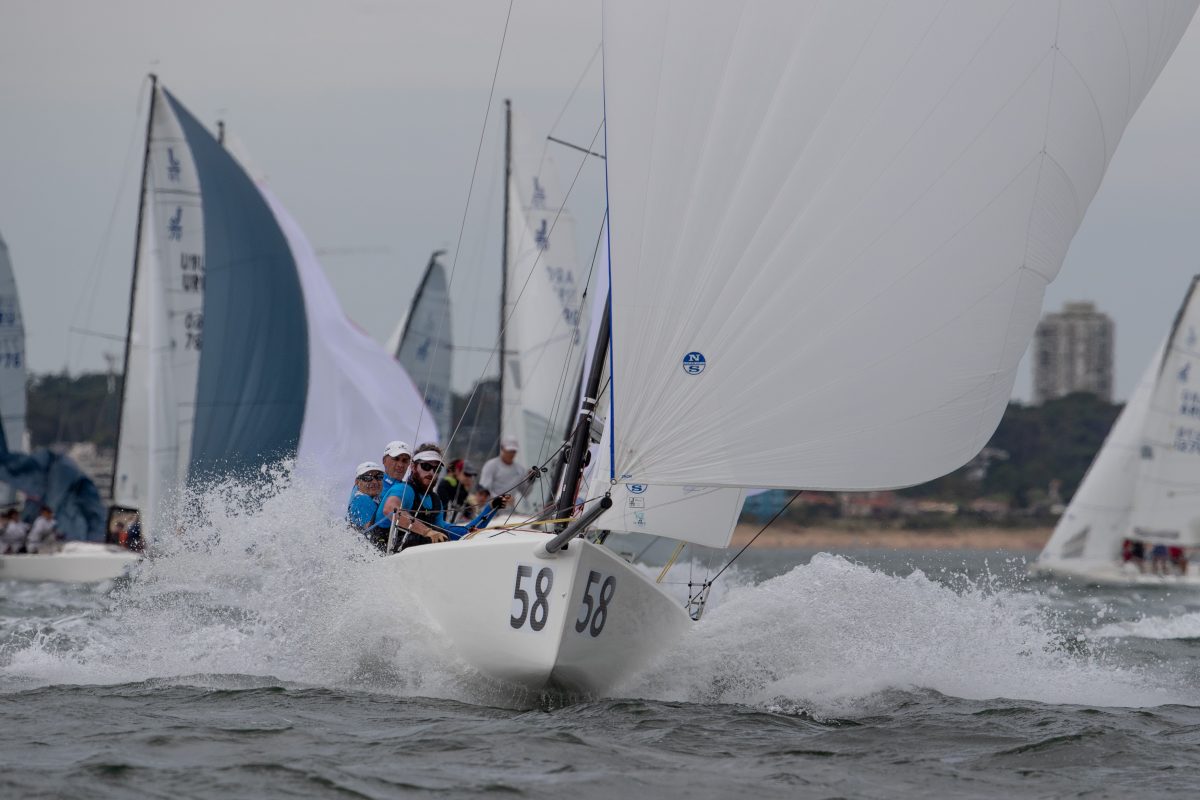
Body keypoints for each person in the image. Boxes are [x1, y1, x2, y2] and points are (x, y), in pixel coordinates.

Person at [371, 443, 508, 551]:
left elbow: (462, 533)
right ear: (413, 467)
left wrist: (491, 508)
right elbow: (390, 510)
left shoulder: (434, 500)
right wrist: (427, 531)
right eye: (426, 466)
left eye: (436, 469)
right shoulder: (404, 490)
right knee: (431, 539)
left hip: (413, 558)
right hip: (382, 553)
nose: (431, 472)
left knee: (445, 537)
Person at [478, 437, 533, 508]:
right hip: (491, 509)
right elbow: (484, 490)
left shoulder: (520, 469)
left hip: (509, 511)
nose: (511, 454)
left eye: (513, 451)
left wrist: (530, 480)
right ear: (502, 448)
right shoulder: (491, 465)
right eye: (509, 450)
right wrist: (502, 499)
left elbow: (526, 493)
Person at [347, 461, 385, 543]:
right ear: (357, 482)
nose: (374, 482)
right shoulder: (362, 500)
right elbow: (375, 533)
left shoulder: (375, 499)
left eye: (379, 477)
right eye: (367, 478)